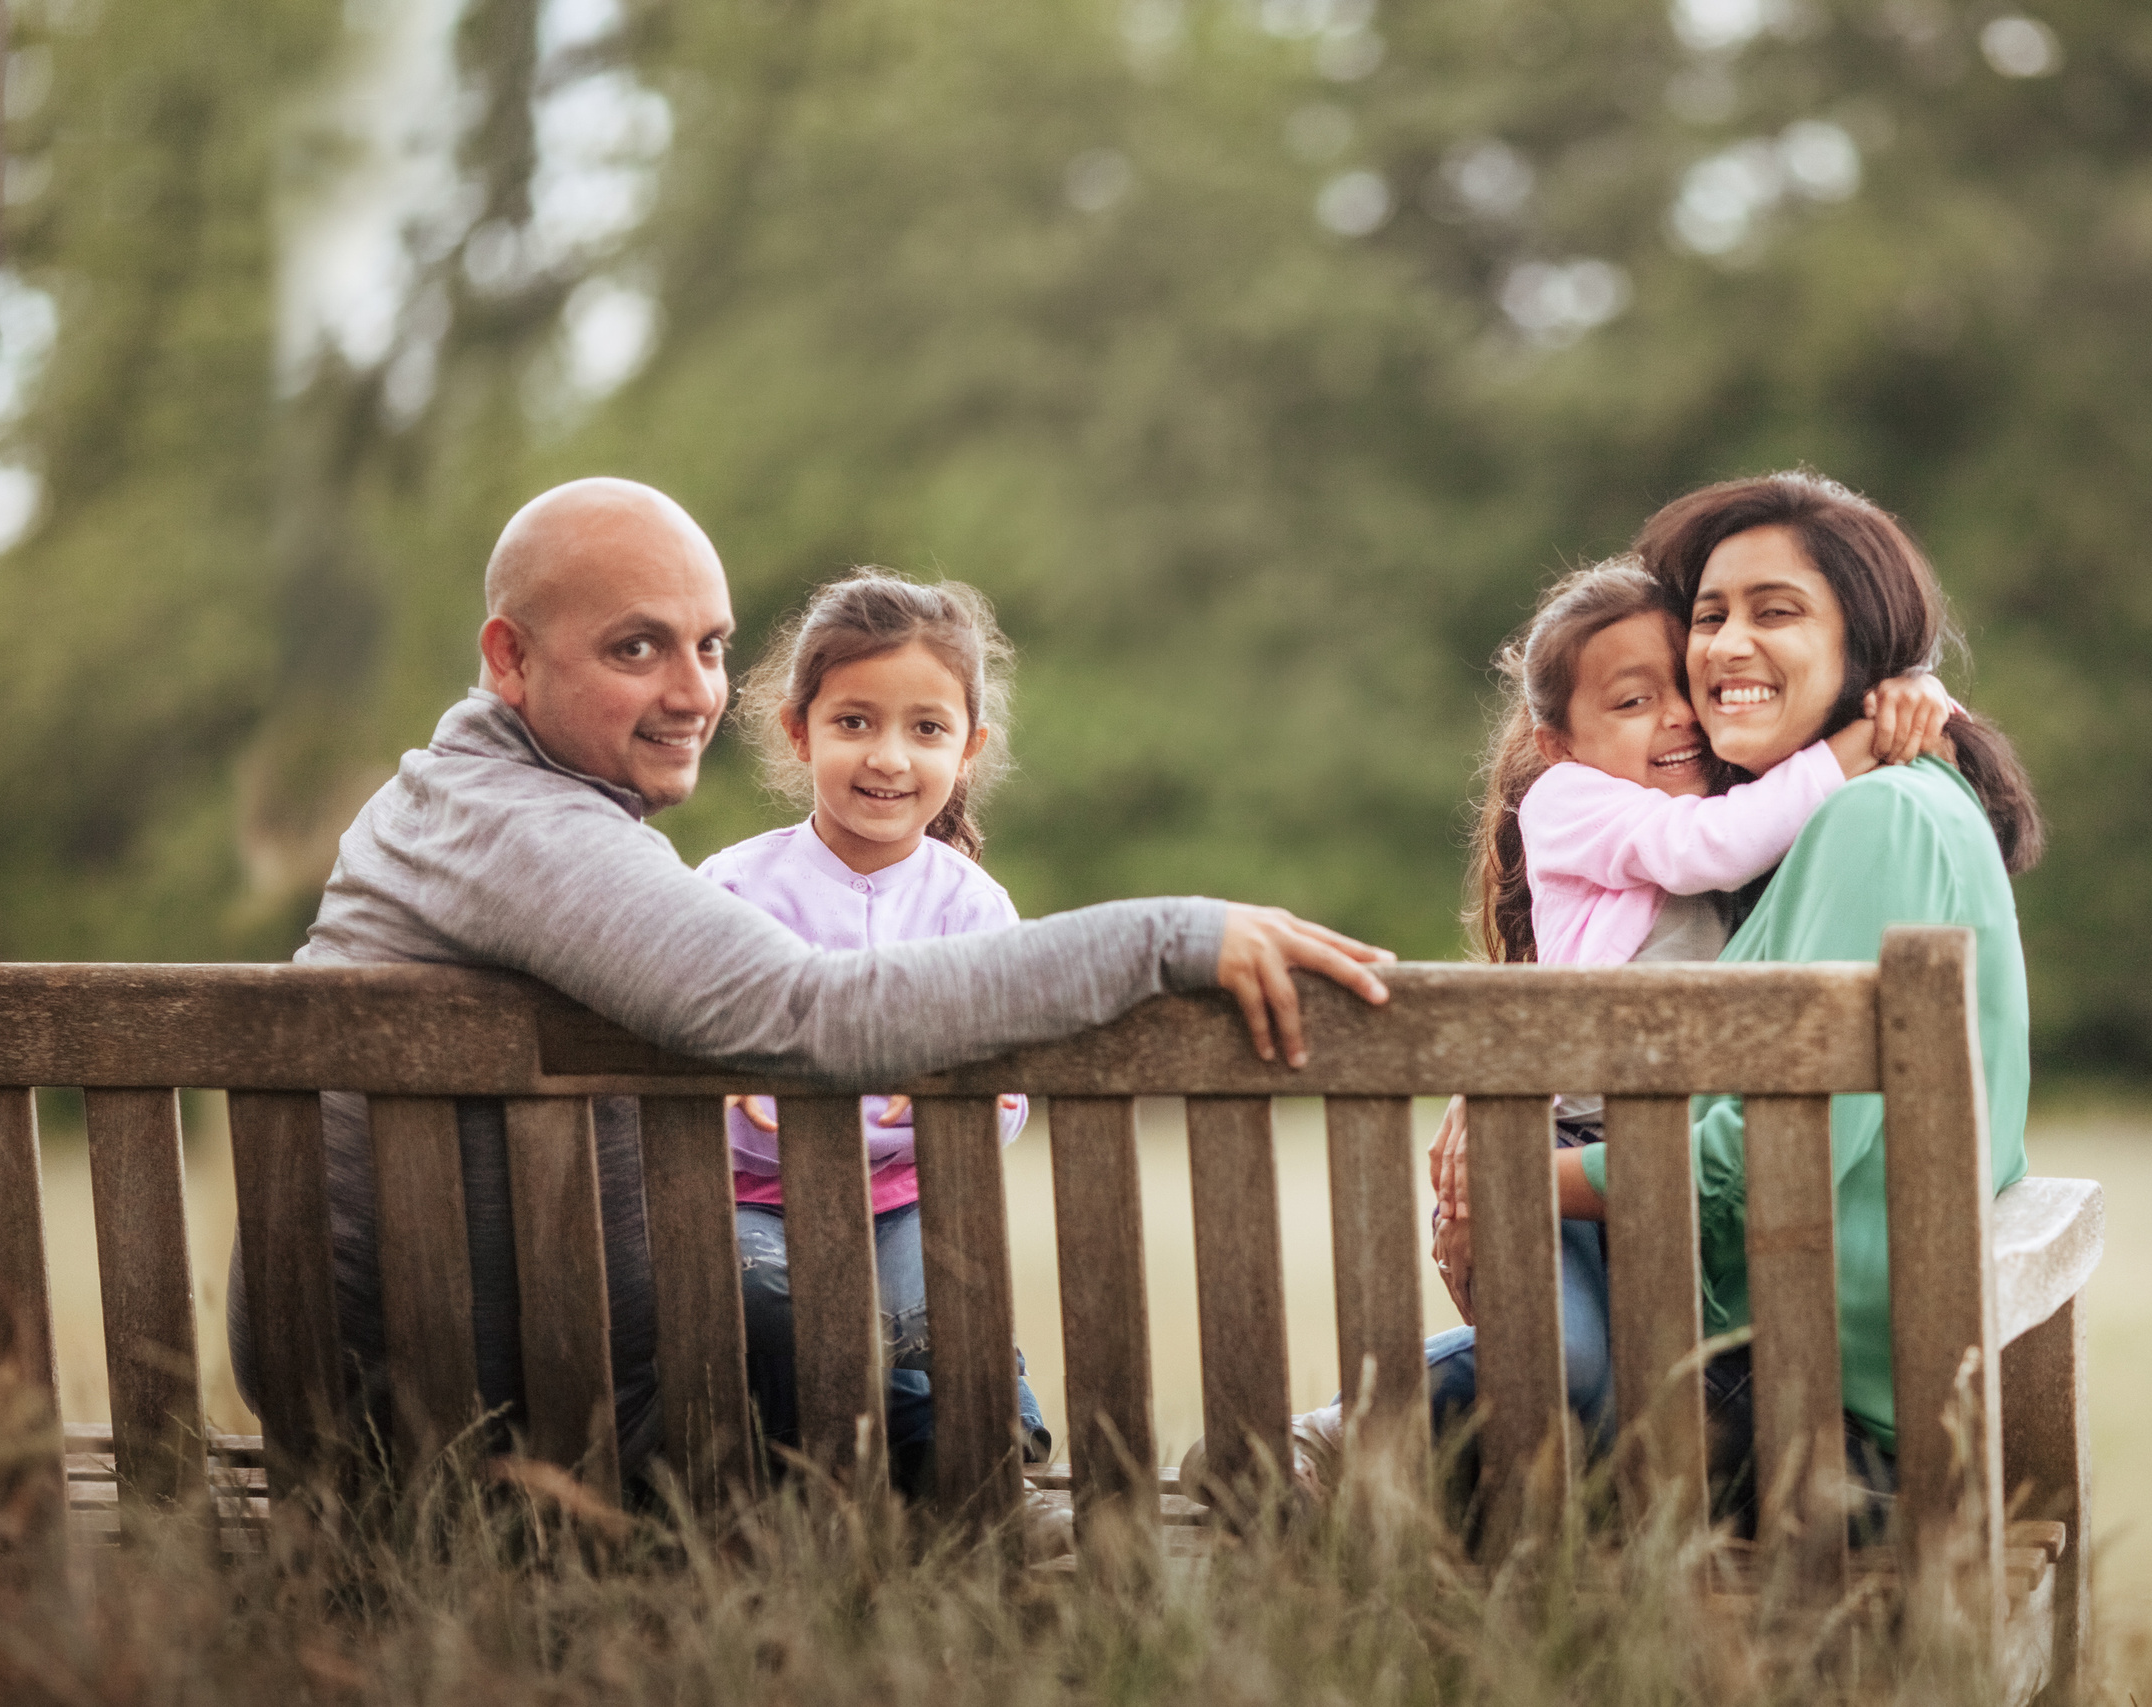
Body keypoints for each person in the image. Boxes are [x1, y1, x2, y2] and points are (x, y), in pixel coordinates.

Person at [226, 479, 1393, 1483]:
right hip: (463, 1413)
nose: (693, 692)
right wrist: (1170, 937)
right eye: (637, 647)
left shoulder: (462, 804)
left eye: (711, 644)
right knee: (859, 1335)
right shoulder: (526, 833)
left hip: (446, 1375)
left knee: (862, 1327)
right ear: (510, 657)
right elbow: (807, 1013)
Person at [1427, 470, 2042, 1530]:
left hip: (1798, 1415)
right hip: (1783, 1379)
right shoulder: (1851, 817)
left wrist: (1529, 1175)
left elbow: (1768, 1162)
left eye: (1776, 611)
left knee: (1522, 1437)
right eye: (1708, 617)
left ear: (1867, 641)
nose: (1722, 648)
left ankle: (1337, 1445)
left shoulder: (1875, 819)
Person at [692, 569, 1045, 1477]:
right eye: (856, 721)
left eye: (926, 728)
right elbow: (684, 1055)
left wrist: (905, 1111)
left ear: (968, 749)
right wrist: (753, 1098)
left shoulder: (970, 905)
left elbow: (1004, 1093)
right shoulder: (732, 889)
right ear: (798, 728)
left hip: (904, 1199)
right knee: (769, 1298)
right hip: (751, 1203)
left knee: (937, 1306)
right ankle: (849, 1475)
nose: (889, 756)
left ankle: (989, 1457)